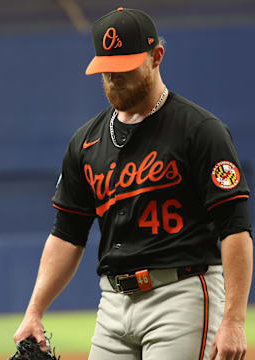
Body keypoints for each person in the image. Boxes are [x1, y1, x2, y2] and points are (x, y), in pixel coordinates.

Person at [14, 8, 253, 360]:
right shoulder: (86, 143)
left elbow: (235, 229)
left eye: (125, 68)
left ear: (157, 56)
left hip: (183, 293)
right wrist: (34, 310)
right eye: (107, 70)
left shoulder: (200, 130)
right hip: (113, 302)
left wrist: (233, 318)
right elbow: (67, 234)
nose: (114, 78)